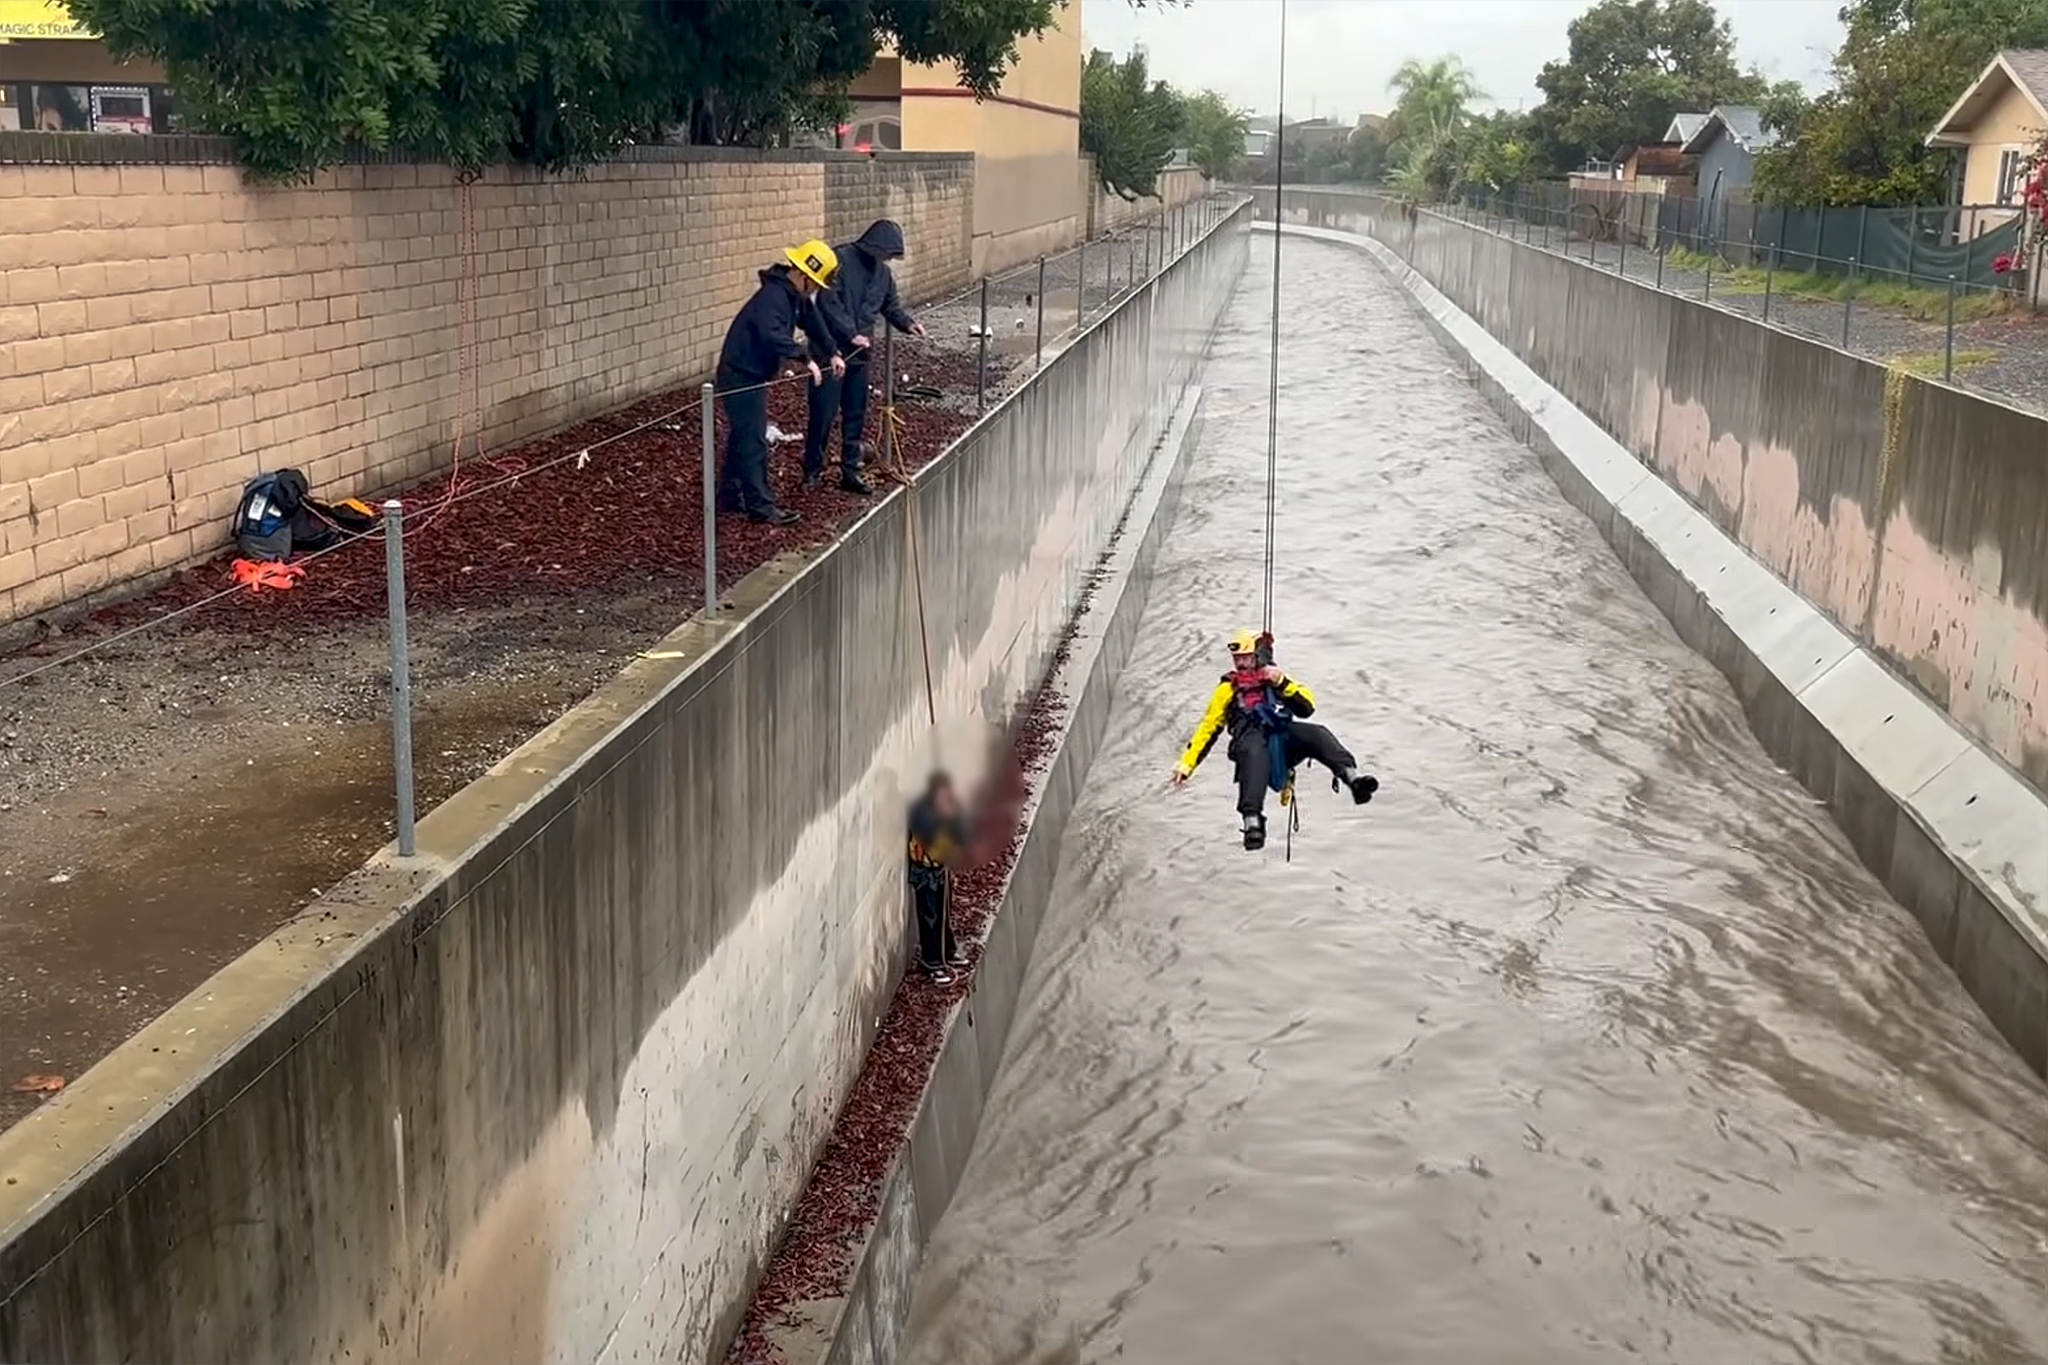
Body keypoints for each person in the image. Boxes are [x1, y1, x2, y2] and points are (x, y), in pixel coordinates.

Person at [1170, 630, 1380, 850]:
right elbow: (1208, 729)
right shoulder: (1227, 689)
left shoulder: (1273, 678)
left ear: (1256, 656)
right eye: (1237, 658)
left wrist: (1281, 682)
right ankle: (1252, 822)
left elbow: (1307, 707)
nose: (1241, 663)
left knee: (1318, 733)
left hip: (1281, 737)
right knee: (1254, 752)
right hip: (1250, 741)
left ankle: (1353, 779)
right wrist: (1187, 764)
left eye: (1246, 657)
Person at [716, 239, 847, 526]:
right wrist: (805, 358)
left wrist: (832, 352)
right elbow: (772, 334)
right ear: (802, 276)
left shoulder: (793, 297)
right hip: (740, 374)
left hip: (750, 373)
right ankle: (761, 508)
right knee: (753, 441)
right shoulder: (773, 298)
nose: (814, 291)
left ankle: (727, 494)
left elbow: (814, 323)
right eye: (813, 284)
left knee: (743, 436)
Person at [807, 218, 926, 495]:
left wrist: (907, 323)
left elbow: (890, 305)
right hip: (831, 352)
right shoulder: (840, 260)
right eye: (886, 253)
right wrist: (850, 333)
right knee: (823, 413)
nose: (887, 259)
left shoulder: (883, 275)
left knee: (855, 413)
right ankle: (813, 470)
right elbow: (828, 301)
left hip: (860, 355)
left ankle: (851, 469)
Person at [907, 770, 973, 984]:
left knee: (942, 914)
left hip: (937, 868)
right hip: (925, 872)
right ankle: (933, 964)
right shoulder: (923, 813)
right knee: (929, 917)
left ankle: (948, 954)